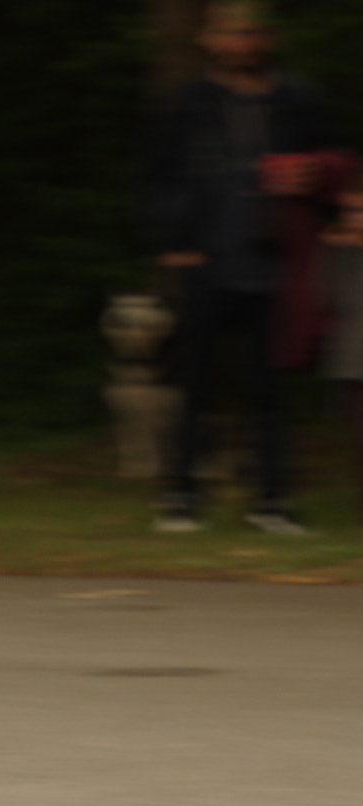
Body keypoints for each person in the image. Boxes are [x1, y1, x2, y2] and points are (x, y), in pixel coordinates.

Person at [139, 2, 332, 535]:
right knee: (195, 386)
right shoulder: (188, 102)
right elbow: (158, 176)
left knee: (268, 392)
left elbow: (332, 170)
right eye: (229, 33)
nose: (241, 43)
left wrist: (313, 181)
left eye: (250, 33)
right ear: (209, 40)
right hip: (208, 263)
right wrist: (170, 239)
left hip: (273, 269)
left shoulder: (296, 100)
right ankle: (180, 496)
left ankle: (272, 503)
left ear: (267, 38)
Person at [319, 185, 363, 520]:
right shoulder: (336, 251)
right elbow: (328, 298)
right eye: (347, 211)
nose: (353, 218)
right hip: (352, 357)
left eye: (358, 210)